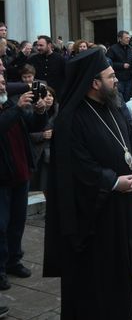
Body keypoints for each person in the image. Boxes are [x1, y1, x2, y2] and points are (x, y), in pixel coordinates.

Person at [43, 48, 132, 320]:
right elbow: (77, 167)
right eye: (110, 76)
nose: (116, 80)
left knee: (123, 279)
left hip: (124, 211)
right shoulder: (70, 120)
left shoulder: (115, 107)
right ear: (94, 82)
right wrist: (113, 182)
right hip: (93, 220)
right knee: (96, 289)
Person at [0, 73, 49, 291]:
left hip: (21, 173)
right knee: (0, 225)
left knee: (17, 222)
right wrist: (18, 108)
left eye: (4, 81)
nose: (4, 85)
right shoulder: (13, 106)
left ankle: (13, 260)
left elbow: (32, 125)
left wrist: (40, 111)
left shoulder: (9, 103)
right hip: (2, 177)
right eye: (0, 82)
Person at [106, 30, 132, 101]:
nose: (128, 39)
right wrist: (122, 65)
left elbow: (131, 61)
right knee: (119, 98)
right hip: (118, 78)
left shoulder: (130, 48)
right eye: (126, 38)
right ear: (120, 38)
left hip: (129, 78)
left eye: (129, 38)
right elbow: (109, 63)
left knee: (127, 97)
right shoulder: (113, 49)